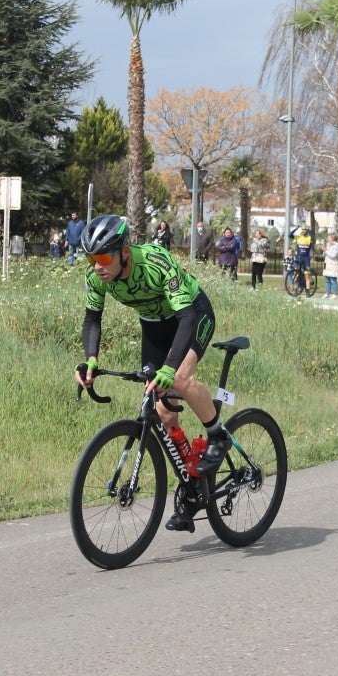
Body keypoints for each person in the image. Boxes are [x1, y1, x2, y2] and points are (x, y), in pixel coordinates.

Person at [74, 214, 229, 532]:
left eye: (103, 257)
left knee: (181, 380)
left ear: (124, 252)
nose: (97, 266)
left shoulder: (156, 261)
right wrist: (90, 359)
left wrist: (171, 369)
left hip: (191, 315)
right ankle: (191, 485)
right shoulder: (96, 279)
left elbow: (186, 318)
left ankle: (217, 435)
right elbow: (92, 319)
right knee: (163, 412)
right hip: (155, 328)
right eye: (92, 259)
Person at [292, 226, 313, 292]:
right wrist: (296, 228)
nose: (303, 231)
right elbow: (290, 235)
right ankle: (296, 290)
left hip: (306, 258)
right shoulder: (298, 237)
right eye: (302, 230)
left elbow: (314, 237)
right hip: (298, 257)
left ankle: (307, 291)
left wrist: (309, 230)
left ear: (306, 230)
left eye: (305, 230)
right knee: (296, 275)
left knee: (307, 276)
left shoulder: (309, 237)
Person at [322, 234, 338, 298]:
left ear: (333, 238)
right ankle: (327, 293)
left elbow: (333, 255)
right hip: (327, 263)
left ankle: (334, 293)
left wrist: (325, 250)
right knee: (327, 279)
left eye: (329, 238)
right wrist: (324, 250)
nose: (328, 239)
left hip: (333, 264)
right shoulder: (328, 244)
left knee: (333, 279)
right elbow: (325, 254)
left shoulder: (337, 245)